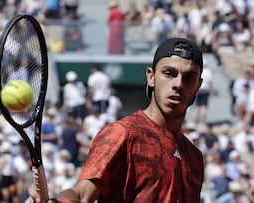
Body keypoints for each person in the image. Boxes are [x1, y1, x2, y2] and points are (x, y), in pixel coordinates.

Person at [29, 37, 205, 202]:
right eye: (169, 73)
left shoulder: (194, 157)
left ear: (198, 87)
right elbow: (82, 193)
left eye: (189, 78)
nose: (178, 84)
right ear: (151, 77)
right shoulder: (122, 133)